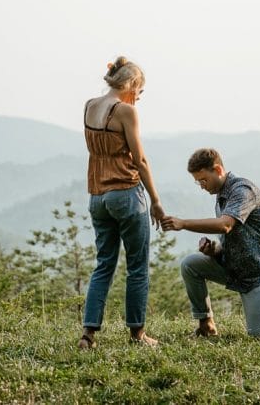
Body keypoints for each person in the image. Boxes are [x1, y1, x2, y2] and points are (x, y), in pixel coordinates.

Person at [161, 148, 260, 339]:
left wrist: (183, 223)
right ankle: (206, 326)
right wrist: (214, 250)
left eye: (203, 180)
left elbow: (225, 225)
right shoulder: (221, 197)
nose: (201, 185)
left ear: (218, 170)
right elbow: (230, 240)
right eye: (198, 181)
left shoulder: (242, 190)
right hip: (237, 270)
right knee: (190, 264)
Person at [79, 56, 165, 349]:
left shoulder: (90, 105)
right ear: (130, 85)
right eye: (138, 92)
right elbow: (139, 159)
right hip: (126, 193)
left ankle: (88, 334)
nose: (138, 98)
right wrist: (155, 200)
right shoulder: (126, 111)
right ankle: (137, 334)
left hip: (97, 196)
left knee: (103, 264)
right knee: (137, 267)